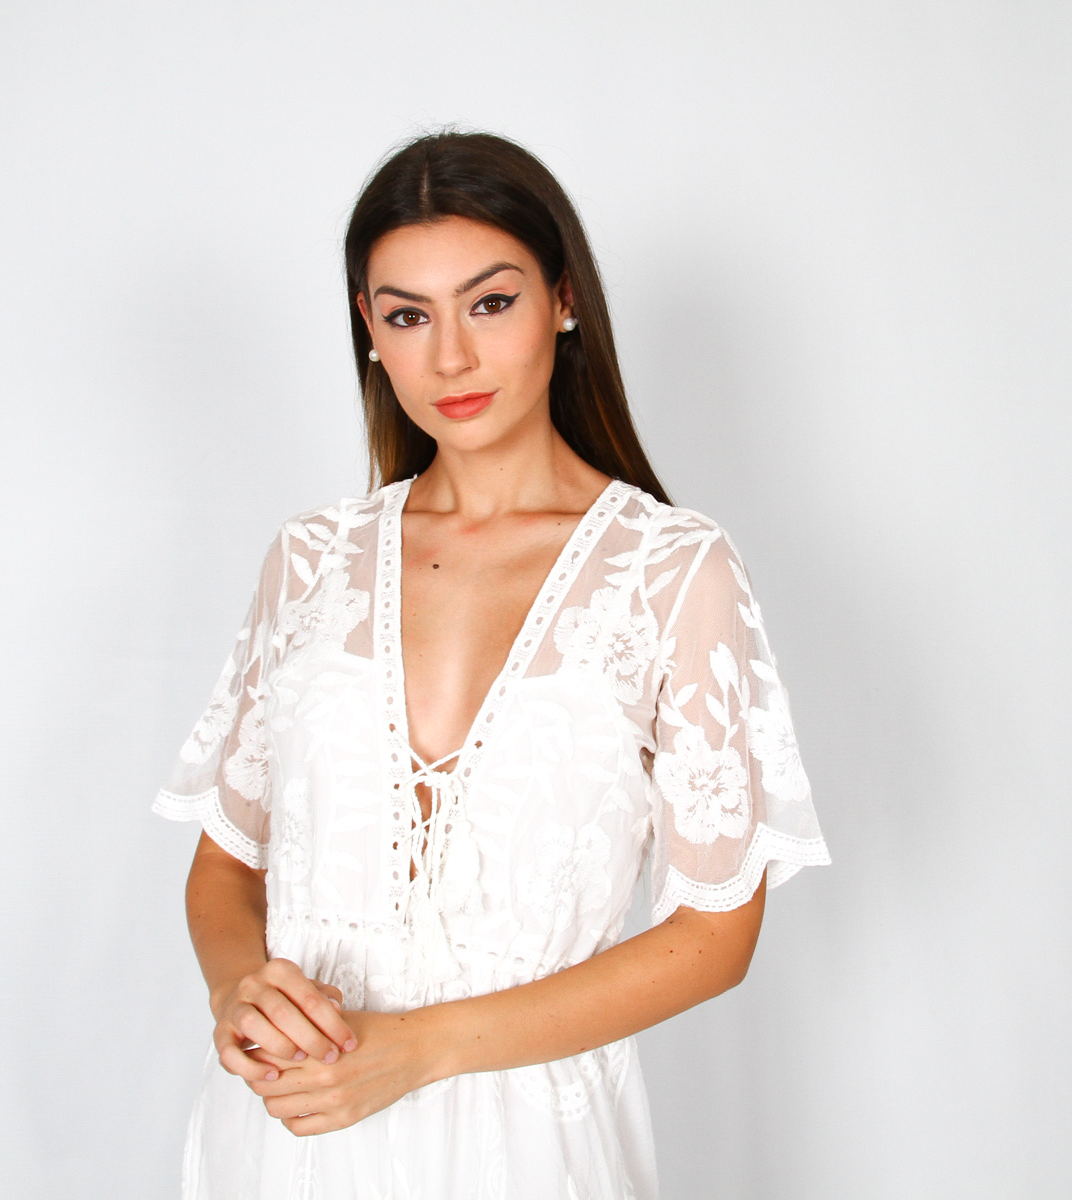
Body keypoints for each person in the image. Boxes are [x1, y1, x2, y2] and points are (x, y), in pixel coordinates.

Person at [153, 130, 830, 1199]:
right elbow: (228, 863)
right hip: (291, 1129)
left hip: (526, 1146)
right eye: (407, 316)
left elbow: (715, 933)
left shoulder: (670, 569)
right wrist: (240, 990)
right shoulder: (311, 561)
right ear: (369, 330)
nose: (450, 359)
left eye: (491, 302)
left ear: (564, 301)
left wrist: (423, 1049)